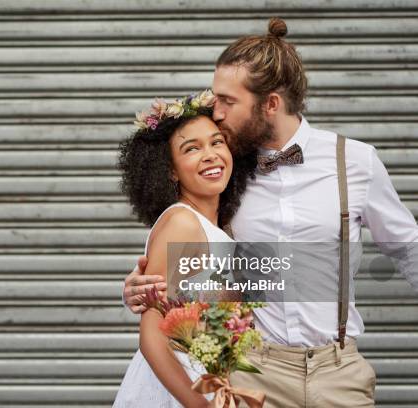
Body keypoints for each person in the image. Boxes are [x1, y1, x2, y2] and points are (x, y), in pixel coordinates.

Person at [122, 17, 418, 407]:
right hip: (251, 373)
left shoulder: (356, 161)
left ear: (271, 104)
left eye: (227, 101)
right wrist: (141, 286)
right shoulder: (225, 170)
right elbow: (189, 258)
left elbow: (408, 248)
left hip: (339, 373)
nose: (218, 113)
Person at [112, 91, 257, 407]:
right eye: (192, 149)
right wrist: (201, 405)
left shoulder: (213, 226)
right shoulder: (183, 224)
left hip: (204, 381)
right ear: (171, 170)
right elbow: (153, 338)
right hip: (177, 389)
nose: (210, 155)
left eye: (217, 142)